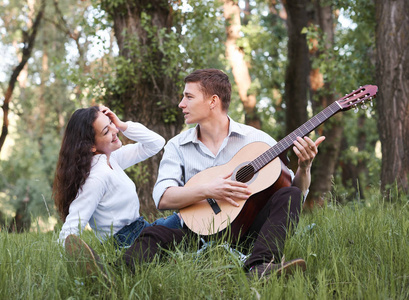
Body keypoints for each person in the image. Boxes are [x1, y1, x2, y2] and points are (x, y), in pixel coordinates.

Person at [67, 69, 325, 281]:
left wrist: (305, 168)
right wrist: (209, 190)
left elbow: (296, 199)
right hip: (200, 231)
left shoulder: (257, 140)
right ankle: (109, 275)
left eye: (188, 97)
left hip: (248, 226)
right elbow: (163, 198)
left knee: (289, 193)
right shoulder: (177, 146)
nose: (181, 104)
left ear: (213, 101)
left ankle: (260, 267)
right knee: (154, 234)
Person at [54, 106, 181, 253]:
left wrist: (122, 124)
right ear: (91, 146)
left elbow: (156, 143)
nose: (115, 131)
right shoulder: (97, 177)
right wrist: (65, 255)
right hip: (127, 243)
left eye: (111, 123)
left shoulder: (112, 159)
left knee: (186, 220)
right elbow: (73, 224)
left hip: (142, 230)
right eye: (106, 131)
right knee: (189, 235)